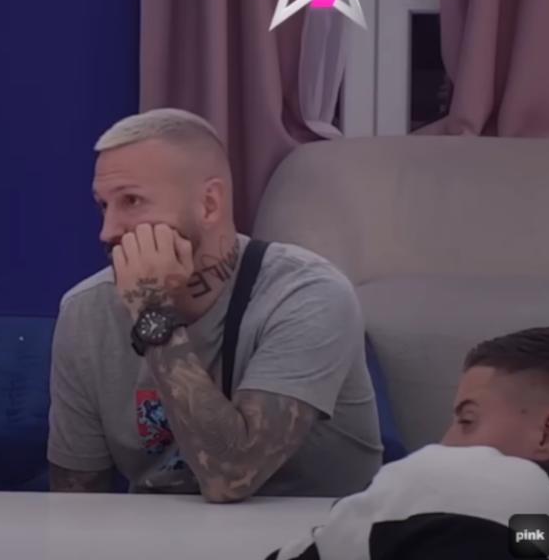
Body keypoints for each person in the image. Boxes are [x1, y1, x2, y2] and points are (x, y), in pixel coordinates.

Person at [48, 109, 382, 501]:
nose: (107, 231)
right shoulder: (85, 312)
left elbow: (232, 476)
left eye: (132, 201)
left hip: (312, 531)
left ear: (209, 204)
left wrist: (152, 312)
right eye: (103, 206)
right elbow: (75, 503)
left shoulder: (309, 294)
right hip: (158, 532)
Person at [268, 327, 549, 559]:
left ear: (547, 434)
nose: (446, 442)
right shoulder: (530, 524)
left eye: (467, 421)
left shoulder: (457, 485)